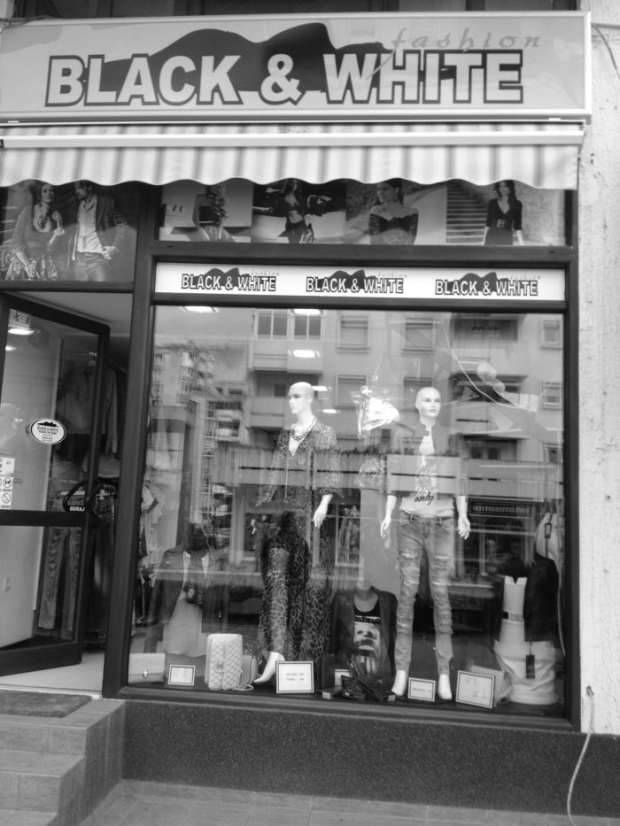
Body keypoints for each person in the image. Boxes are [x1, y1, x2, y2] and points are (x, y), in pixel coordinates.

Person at [380, 387, 470, 700]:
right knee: (406, 594)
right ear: (417, 404)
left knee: (441, 595)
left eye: (437, 400)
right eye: (427, 400)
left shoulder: (450, 437)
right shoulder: (404, 434)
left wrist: (463, 515)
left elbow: (460, 477)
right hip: (409, 518)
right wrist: (388, 513)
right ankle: (402, 671)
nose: (433, 404)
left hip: (442, 519)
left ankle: (444, 671)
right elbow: (394, 476)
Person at [254, 381, 340, 683]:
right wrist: (263, 507)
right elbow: (275, 471)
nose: (291, 401)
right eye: (289, 396)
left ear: (310, 399)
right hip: (284, 519)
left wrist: (324, 503)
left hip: (311, 522)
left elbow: (330, 469)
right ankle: (276, 653)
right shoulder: (284, 434)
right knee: (277, 582)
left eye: (297, 396)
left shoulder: (325, 432)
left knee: (309, 592)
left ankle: (304, 667)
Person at [68, 180, 129, 281]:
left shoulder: (107, 203)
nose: (76, 191)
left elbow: (122, 225)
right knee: (79, 291)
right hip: (79, 260)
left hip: (99, 259)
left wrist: (115, 247)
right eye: (75, 188)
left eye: (79, 188)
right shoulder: (75, 206)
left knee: (103, 290)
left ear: (89, 187)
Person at [8, 181, 65, 280]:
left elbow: (49, 248)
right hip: (23, 261)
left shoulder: (54, 216)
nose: (49, 193)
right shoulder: (28, 211)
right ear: (39, 195)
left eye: (51, 191)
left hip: (43, 263)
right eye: (45, 191)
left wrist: (59, 225)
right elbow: (16, 242)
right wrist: (28, 265)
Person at [265, 179, 331, 244]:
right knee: (294, 247)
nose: (295, 185)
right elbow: (269, 191)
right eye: (293, 183)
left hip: (302, 225)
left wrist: (315, 198)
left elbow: (305, 208)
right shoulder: (283, 196)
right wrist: (274, 190)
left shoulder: (298, 197)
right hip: (292, 227)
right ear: (289, 184)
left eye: (296, 184)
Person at [368, 179, 418, 245]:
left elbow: (409, 242)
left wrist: (392, 220)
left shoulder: (412, 212)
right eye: (378, 189)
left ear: (396, 190)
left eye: (385, 189)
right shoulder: (376, 210)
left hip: (402, 252)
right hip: (381, 251)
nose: (380, 193)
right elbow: (374, 243)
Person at [483, 180, 524, 246]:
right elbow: (488, 223)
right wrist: (483, 242)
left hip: (507, 237)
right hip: (492, 237)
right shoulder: (492, 203)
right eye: (500, 186)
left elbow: (517, 226)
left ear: (510, 187)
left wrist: (521, 244)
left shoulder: (517, 204)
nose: (502, 189)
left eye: (505, 186)